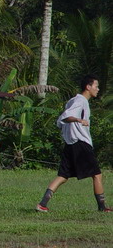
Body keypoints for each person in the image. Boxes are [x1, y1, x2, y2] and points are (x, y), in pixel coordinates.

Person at [36, 74, 110, 212]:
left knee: (63, 176)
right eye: (96, 86)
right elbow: (65, 117)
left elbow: (61, 120)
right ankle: (102, 207)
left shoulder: (73, 100)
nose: (98, 89)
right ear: (88, 87)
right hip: (80, 143)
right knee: (97, 174)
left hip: (70, 144)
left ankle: (42, 204)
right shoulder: (80, 101)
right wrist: (78, 120)